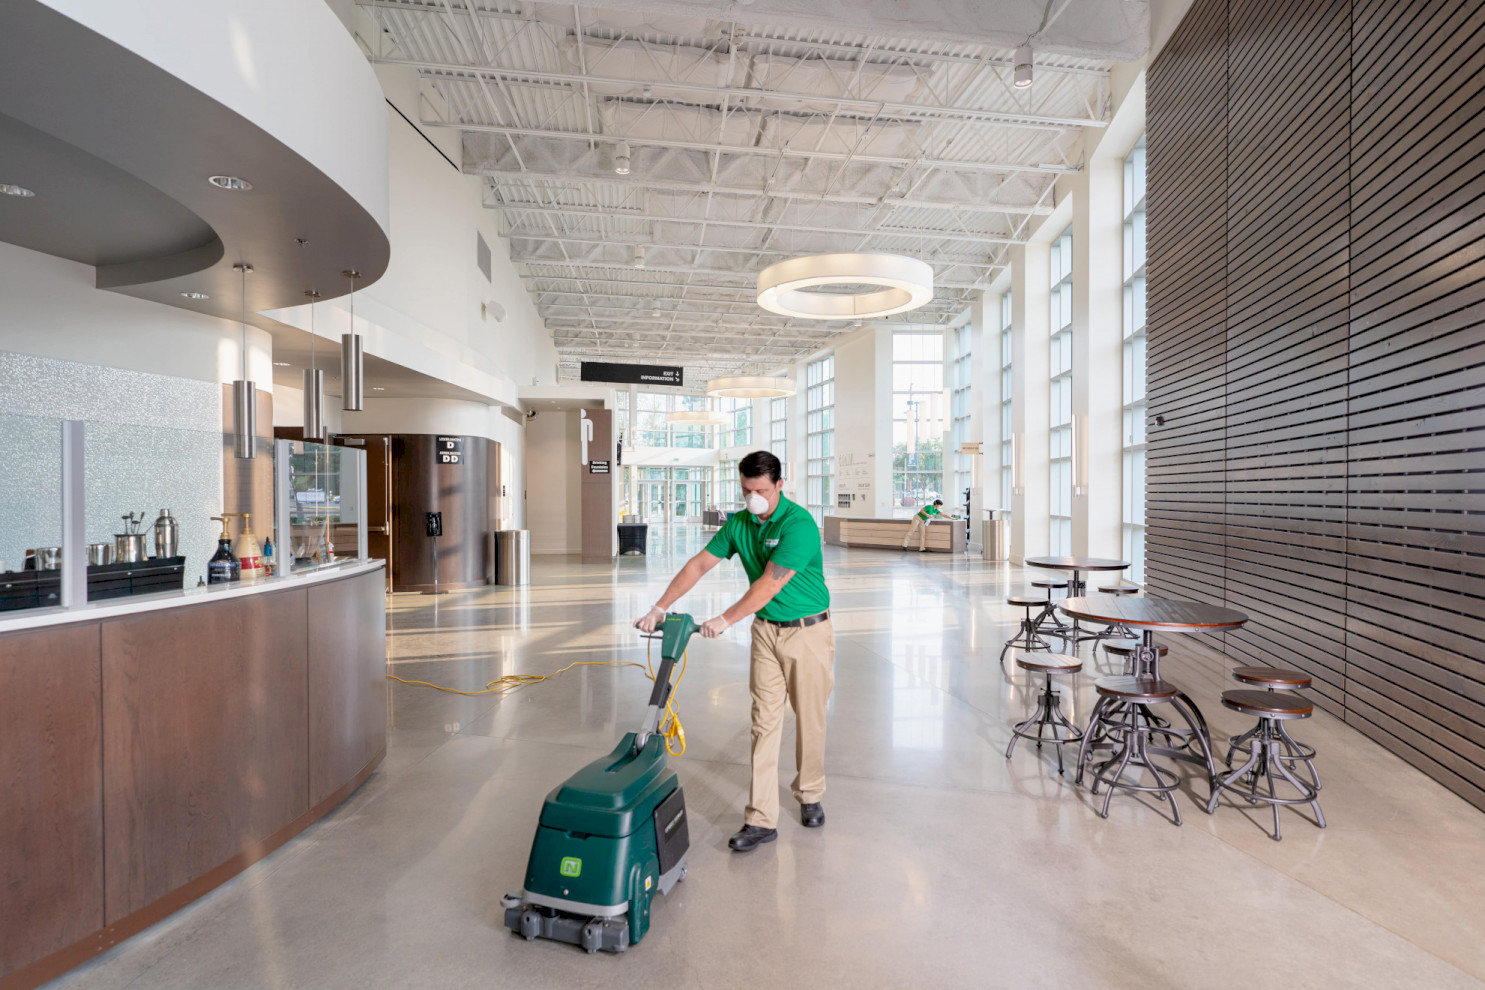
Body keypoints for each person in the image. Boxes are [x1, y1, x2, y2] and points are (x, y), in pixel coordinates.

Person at [634, 450, 834, 853]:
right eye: (746, 490)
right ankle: (761, 819)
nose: (752, 497)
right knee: (763, 722)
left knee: (809, 718)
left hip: (808, 633)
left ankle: (810, 792)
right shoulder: (740, 524)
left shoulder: (800, 525)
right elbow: (697, 565)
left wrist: (725, 619)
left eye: (760, 489)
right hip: (766, 634)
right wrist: (660, 606)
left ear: (780, 485)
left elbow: (769, 584)